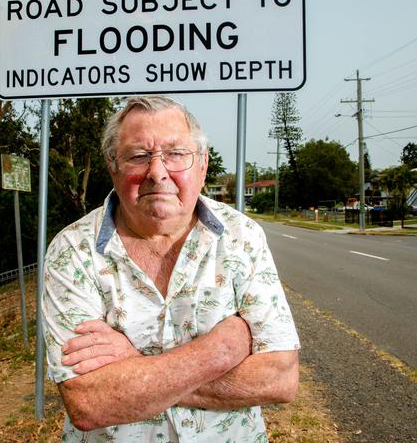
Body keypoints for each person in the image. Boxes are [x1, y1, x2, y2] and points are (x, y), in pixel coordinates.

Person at [42, 95, 300, 442]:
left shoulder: (243, 237)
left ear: (203, 165)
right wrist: (219, 351)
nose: (157, 172)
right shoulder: (72, 250)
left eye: (176, 154)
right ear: (112, 166)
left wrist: (136, 366)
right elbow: (89, 401)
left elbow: (280, 379)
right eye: (138, 156)